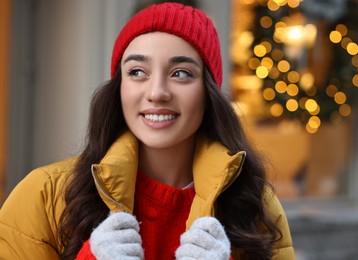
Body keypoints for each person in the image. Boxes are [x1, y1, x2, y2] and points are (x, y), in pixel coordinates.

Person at [0, 2, 294, 260]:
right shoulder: (43, 195)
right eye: (137, 72)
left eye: (181, 73)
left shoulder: (255, 205)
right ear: (119, 88)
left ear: (208, 92)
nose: (157, 92)